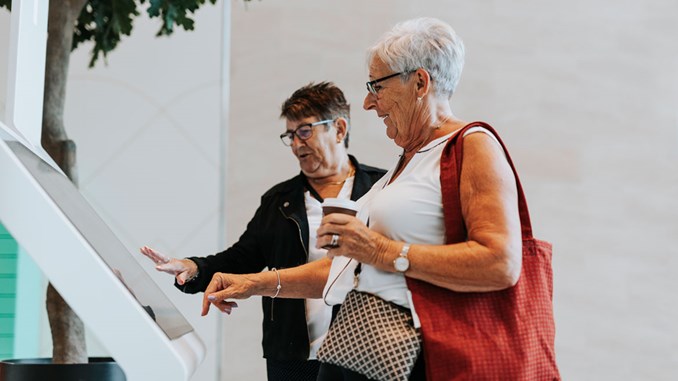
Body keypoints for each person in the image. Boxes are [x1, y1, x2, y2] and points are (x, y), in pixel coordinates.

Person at [202, 17, 559, 381]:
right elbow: (343, 269)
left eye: (377, 86)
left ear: (420, 82)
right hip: (367, 353)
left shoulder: (472, 144)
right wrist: (252, 284)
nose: (369, 102)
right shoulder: (407, 161)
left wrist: (379, 251)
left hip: (417, 359)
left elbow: (500, 262)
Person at [140, 82, 386, 381]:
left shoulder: (381, 190)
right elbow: (241, 259)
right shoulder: (279, 201)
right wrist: (191, 268)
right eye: (290, 135)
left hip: (363, 351)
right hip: (292, 353)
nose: (296, 144)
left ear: (339, 128)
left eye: (305, 131)